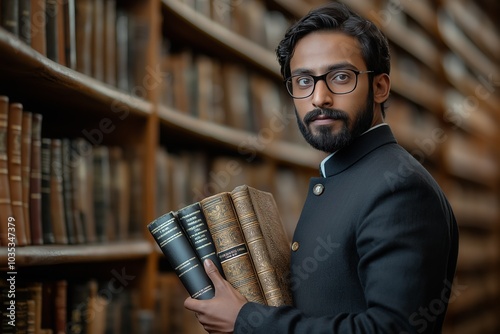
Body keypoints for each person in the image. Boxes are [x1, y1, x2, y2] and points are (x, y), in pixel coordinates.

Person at [184, 2, 459, 333]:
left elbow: (392, 329)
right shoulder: (347, 175)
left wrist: (247, 322)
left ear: (380, 87)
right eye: (303, 81)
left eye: (340, 77)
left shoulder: (399, 187)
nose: (319, 98)